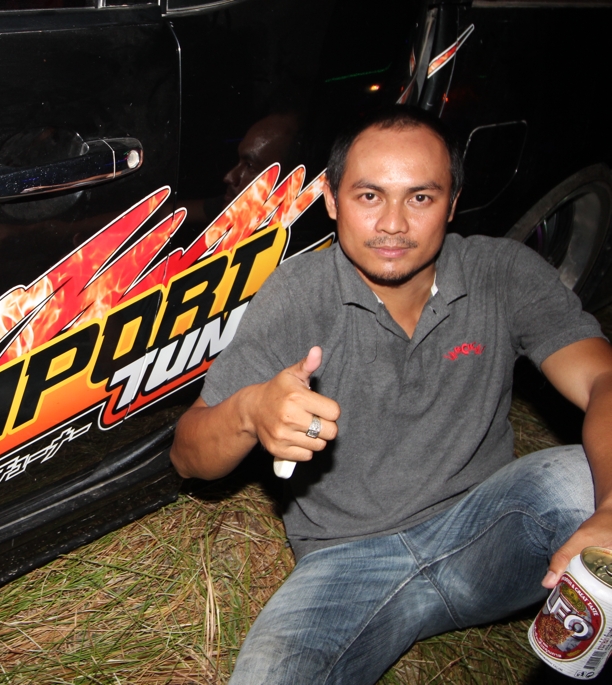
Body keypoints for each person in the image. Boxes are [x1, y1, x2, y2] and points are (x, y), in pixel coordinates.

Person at [169, 105, 612, 684]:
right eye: (369, 196)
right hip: (344, 565)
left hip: (485, 534)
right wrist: (251, 412)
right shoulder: (299, 294)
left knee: (581, 479)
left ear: (452, 203)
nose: (394, 224)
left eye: (420, 197)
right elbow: (188, 455)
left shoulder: (501, 272)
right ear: (332, 201)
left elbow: (602, 379)